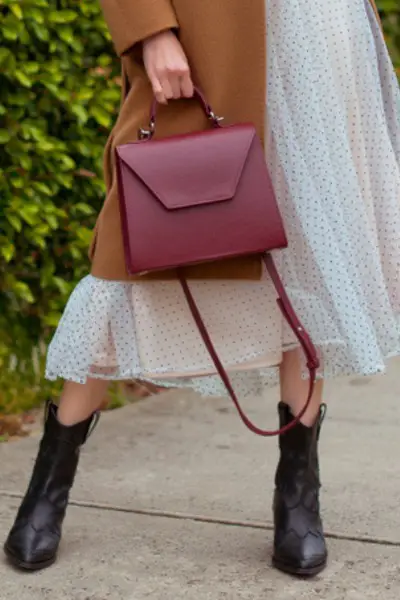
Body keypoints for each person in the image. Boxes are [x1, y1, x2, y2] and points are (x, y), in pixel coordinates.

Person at [4, 0, 399, 578]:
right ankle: (51, 480)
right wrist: (150, 30)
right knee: (130, 259)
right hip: (211, 30)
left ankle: (298, 498)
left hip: (322, 33)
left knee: (312, 261)